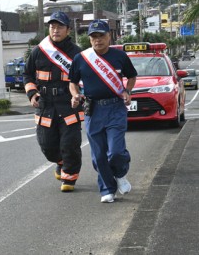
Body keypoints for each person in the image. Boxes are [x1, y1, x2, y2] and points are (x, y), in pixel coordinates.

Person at [69, 19, 137, 203]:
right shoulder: (81, 59)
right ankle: (107, 189)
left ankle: (120, 173)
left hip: (115, 107)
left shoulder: (120, 56)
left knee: (115, 151)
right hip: (93, 109)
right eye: (94, 37)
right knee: (98, 155)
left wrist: (127, 91)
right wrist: (75, 95)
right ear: (90, 39)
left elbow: (131, 76)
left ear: (109, 36)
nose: (97, 40)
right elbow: (72, 82)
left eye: (101, 36)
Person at [23, 11, 84, 192]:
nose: (55, 30)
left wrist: (81, 96)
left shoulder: (77, 53)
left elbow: (86, 77)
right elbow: (27, 74)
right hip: (46, 105)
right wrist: (32, 93)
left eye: (59, 27)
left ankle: (70, 177)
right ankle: (60, 161)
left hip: (69, 103)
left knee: (70, 143)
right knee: (47, 146)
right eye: (52, 26)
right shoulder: (39, 51)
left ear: (67, 29)